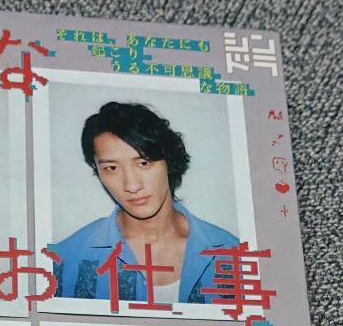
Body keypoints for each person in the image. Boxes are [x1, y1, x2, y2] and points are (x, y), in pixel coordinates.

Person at [50, 101, 239, 305]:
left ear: (168, 161)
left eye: (143, 163)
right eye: (111, 168)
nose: (132, 185)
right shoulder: (64, 260)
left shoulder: (233, 254)